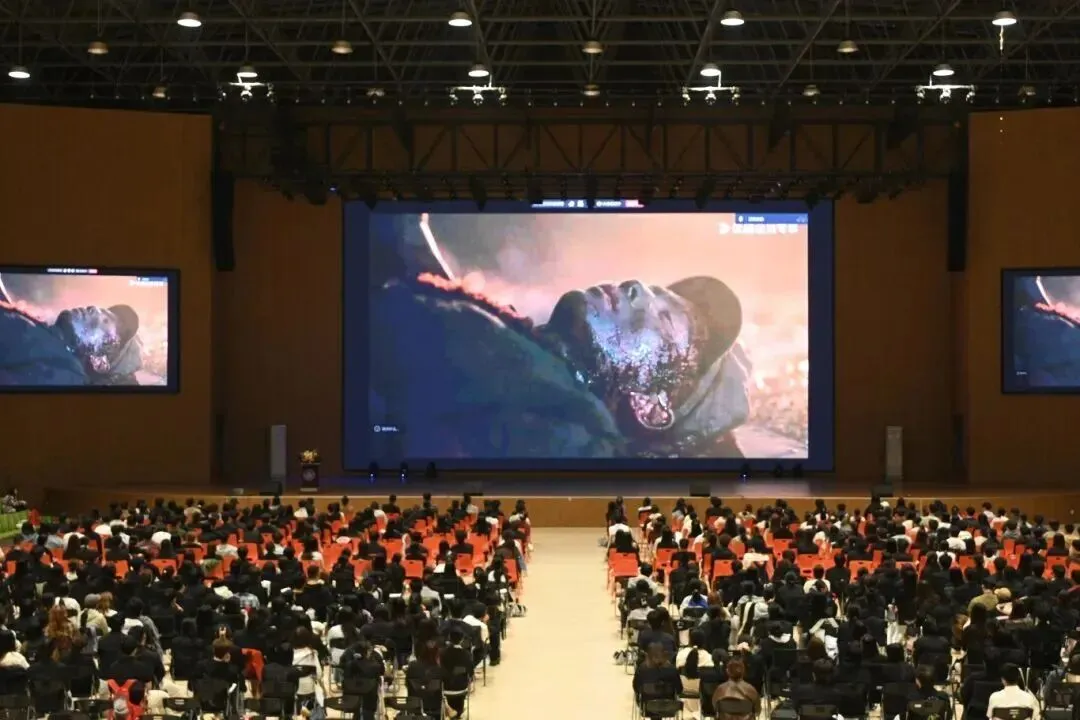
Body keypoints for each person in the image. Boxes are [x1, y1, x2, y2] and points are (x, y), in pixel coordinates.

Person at [370, 221, 756, 458]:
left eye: (666, 321)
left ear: (650, 408)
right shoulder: (535, 374)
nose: (638, 288)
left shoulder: (568, 436)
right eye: (654, 290)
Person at [0, 288, 145, 385]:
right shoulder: (49, 337)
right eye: (102, 310)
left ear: (99, 361)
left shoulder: (65, 373)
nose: (94, 308)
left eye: (105, 320)